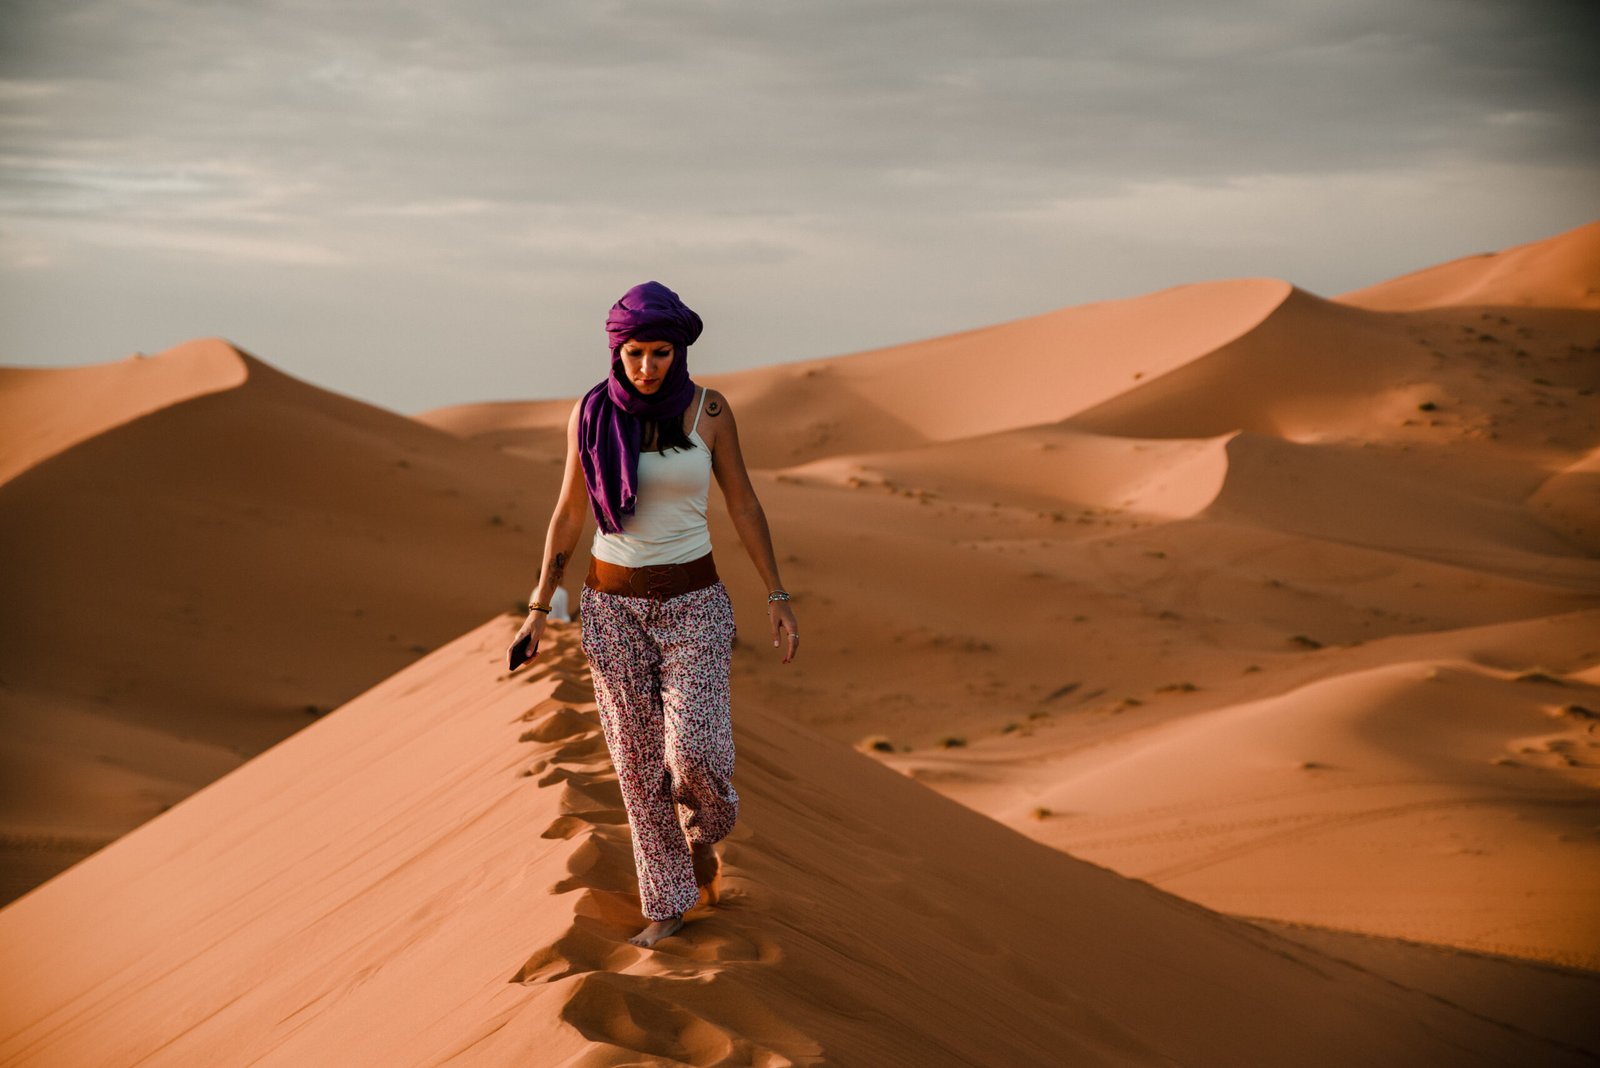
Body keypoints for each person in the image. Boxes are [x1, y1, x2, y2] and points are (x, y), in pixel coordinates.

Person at [509, 280, 800, 948]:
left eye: (661, 353)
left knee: (694, 751)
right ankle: (667, 902)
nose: (646, 367)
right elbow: (568, 512)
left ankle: (704, 836)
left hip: (695, 604)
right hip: (611, 610)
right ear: (618, 351)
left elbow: (744, 505)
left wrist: (776, 594)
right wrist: (536, 610)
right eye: (636, 353)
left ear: (680, 352)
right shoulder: (589, 413)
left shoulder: (711, 412)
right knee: (638, 767)